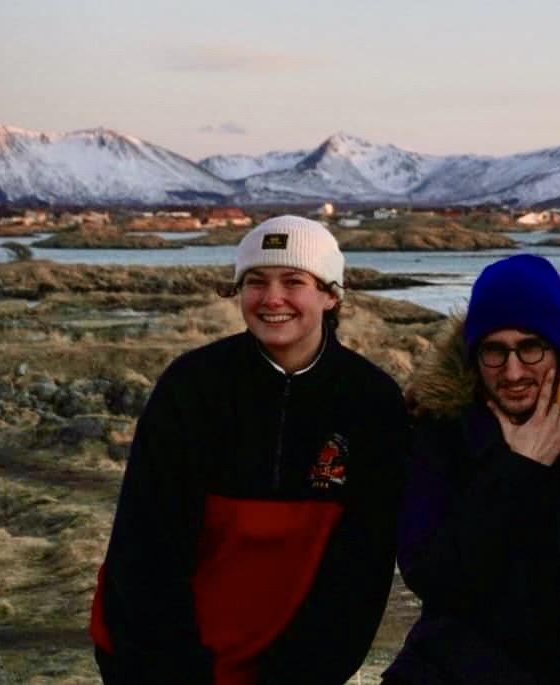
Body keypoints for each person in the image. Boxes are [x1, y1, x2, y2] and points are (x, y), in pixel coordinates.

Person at [91, 215, 408, 685]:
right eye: (255, 281)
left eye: (293, 281)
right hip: (158, 655)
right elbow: (145, 550)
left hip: (290, 664)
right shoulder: (191, 386)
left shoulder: (371, 401)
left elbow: (361, 572)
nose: (272, 298)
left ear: (331, 294)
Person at [384, 253, 560, 685]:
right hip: (466, 663)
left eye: (531, 348)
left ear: (559, 347)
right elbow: (433, 574)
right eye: (494, 351)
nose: (513, 371)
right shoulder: (442, 429)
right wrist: (516, 469)